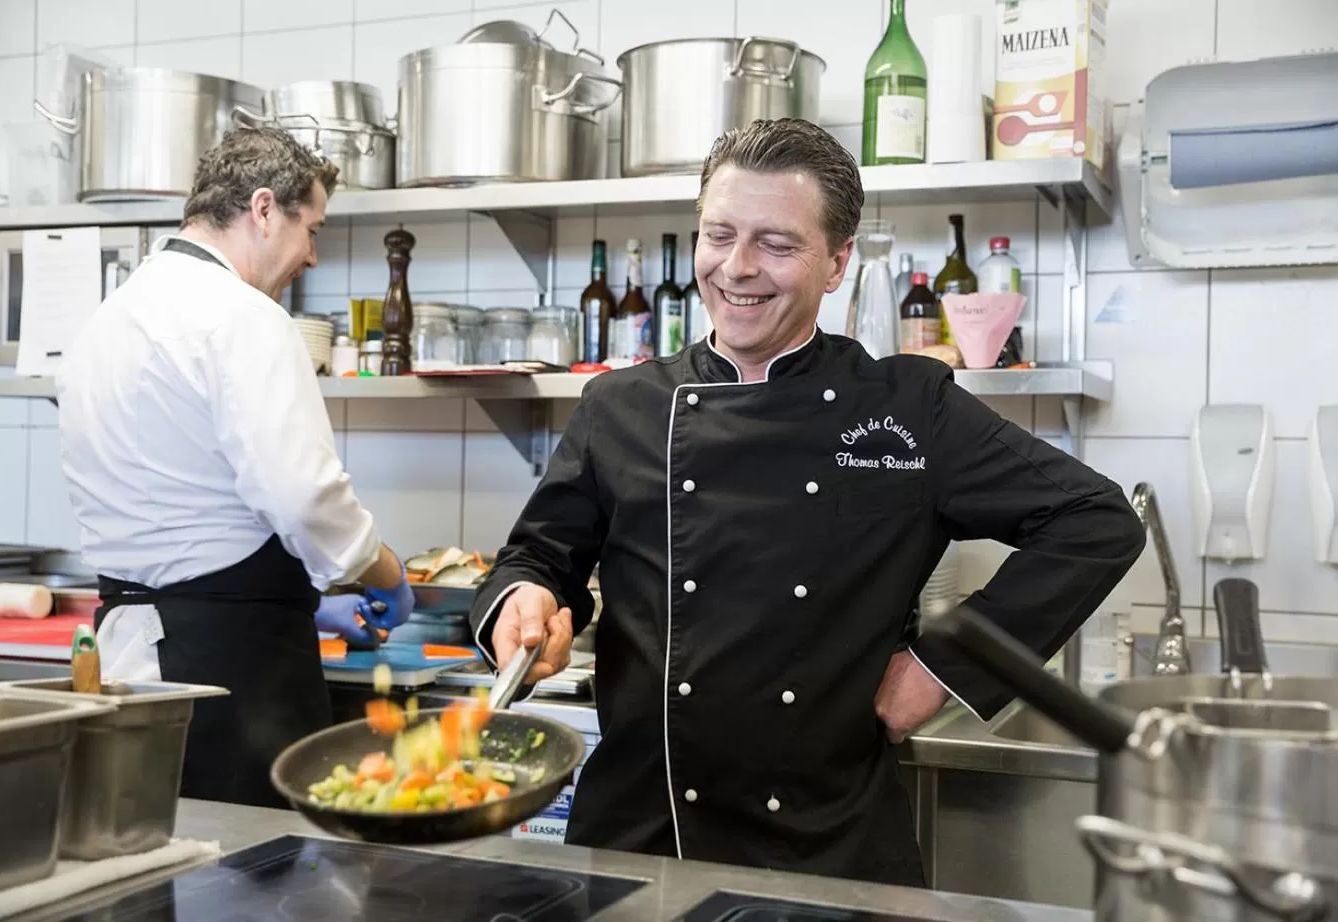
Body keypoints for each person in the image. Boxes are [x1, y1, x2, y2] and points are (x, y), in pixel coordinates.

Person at [468, 118, 1146, 885]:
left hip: (832, 850)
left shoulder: (905, 409)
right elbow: (539, 556)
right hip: (641, 838)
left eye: (776, 244)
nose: (737, 268)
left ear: (836, 263)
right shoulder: (620, 406)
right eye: (718, 235)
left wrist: (941, 668)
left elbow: (1095, 522)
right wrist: (522, 600)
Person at [56, 127, 416, 809]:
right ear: (261, 209)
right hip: (231, 676)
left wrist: (306, 606)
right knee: (253, 885)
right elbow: (306, 499)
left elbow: (182, 512)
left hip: (126, 654)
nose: (311, 255)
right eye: (310, 228)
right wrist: (383, 569)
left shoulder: (103, 324)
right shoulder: (245, 318)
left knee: (152, 868)